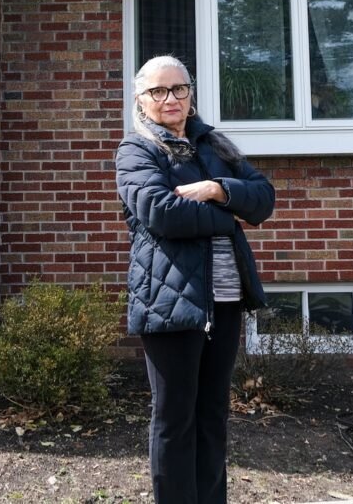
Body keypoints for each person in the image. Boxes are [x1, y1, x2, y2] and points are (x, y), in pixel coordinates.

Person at [115, 54, 275, 504]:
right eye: (158, 91)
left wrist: (216, 189)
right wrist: (230, 215)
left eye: (179, 88)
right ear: (141, 99)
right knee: (174, 418)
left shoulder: (215, 144)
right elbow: (161, 214)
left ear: (191, 92)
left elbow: (263, 199)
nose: (170, 99)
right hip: (168, 302)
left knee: (212, 415)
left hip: (224, 298)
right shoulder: (137, 150)